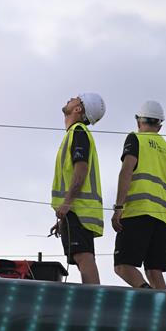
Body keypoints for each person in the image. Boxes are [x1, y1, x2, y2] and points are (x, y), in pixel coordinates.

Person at [111, 101, 166, 290]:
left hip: (137, 213)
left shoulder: (136, 139)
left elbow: (126, 171)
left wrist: (118, 208)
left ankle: (147, 296)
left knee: (123, 266)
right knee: (154, 270)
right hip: (162, 219)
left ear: (138, 121)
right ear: (160, 125)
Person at [49, 93, 106, 284]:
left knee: (83, 256)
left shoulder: (78, 131)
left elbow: (81, 169)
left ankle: (94, 303)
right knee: (81, 256)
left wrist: (67, 204)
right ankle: (93, 301)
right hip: (76, 209)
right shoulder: (75, 133)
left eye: (75, 98)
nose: (70, 98)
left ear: (79, 108)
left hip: (78, 209)